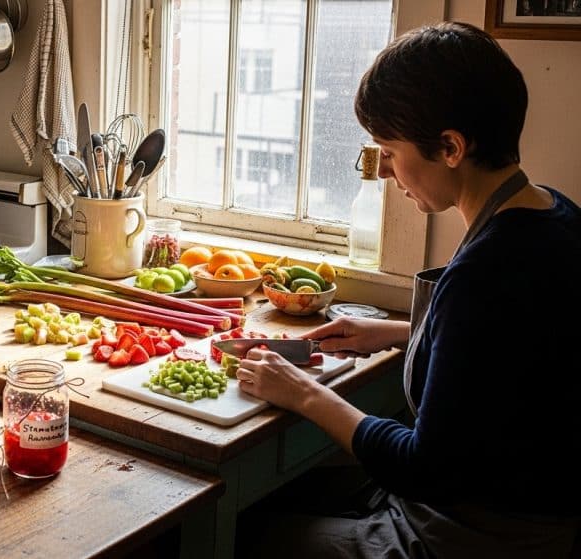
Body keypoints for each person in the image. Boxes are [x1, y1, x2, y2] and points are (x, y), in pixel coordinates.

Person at [235, 22, 581, 557]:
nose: (391, 175)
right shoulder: (553, 212)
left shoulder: (486, 273)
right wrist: (398, 330)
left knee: (241, 533)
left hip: (477, 536)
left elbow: (423, 468)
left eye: (390, 153)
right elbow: (510, 346)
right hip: (538, 512)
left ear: (449, 147)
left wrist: (303, 393)